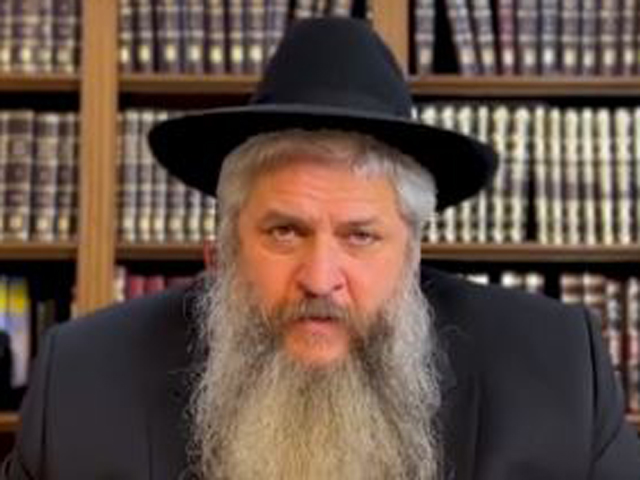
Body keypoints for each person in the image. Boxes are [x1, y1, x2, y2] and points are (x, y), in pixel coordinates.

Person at [3, 17, 640, 480]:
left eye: (360, 235)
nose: (320, 276)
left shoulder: (557, 376)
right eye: (285, 232)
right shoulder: (85, 383)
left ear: (412, 257)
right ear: (221, 251)